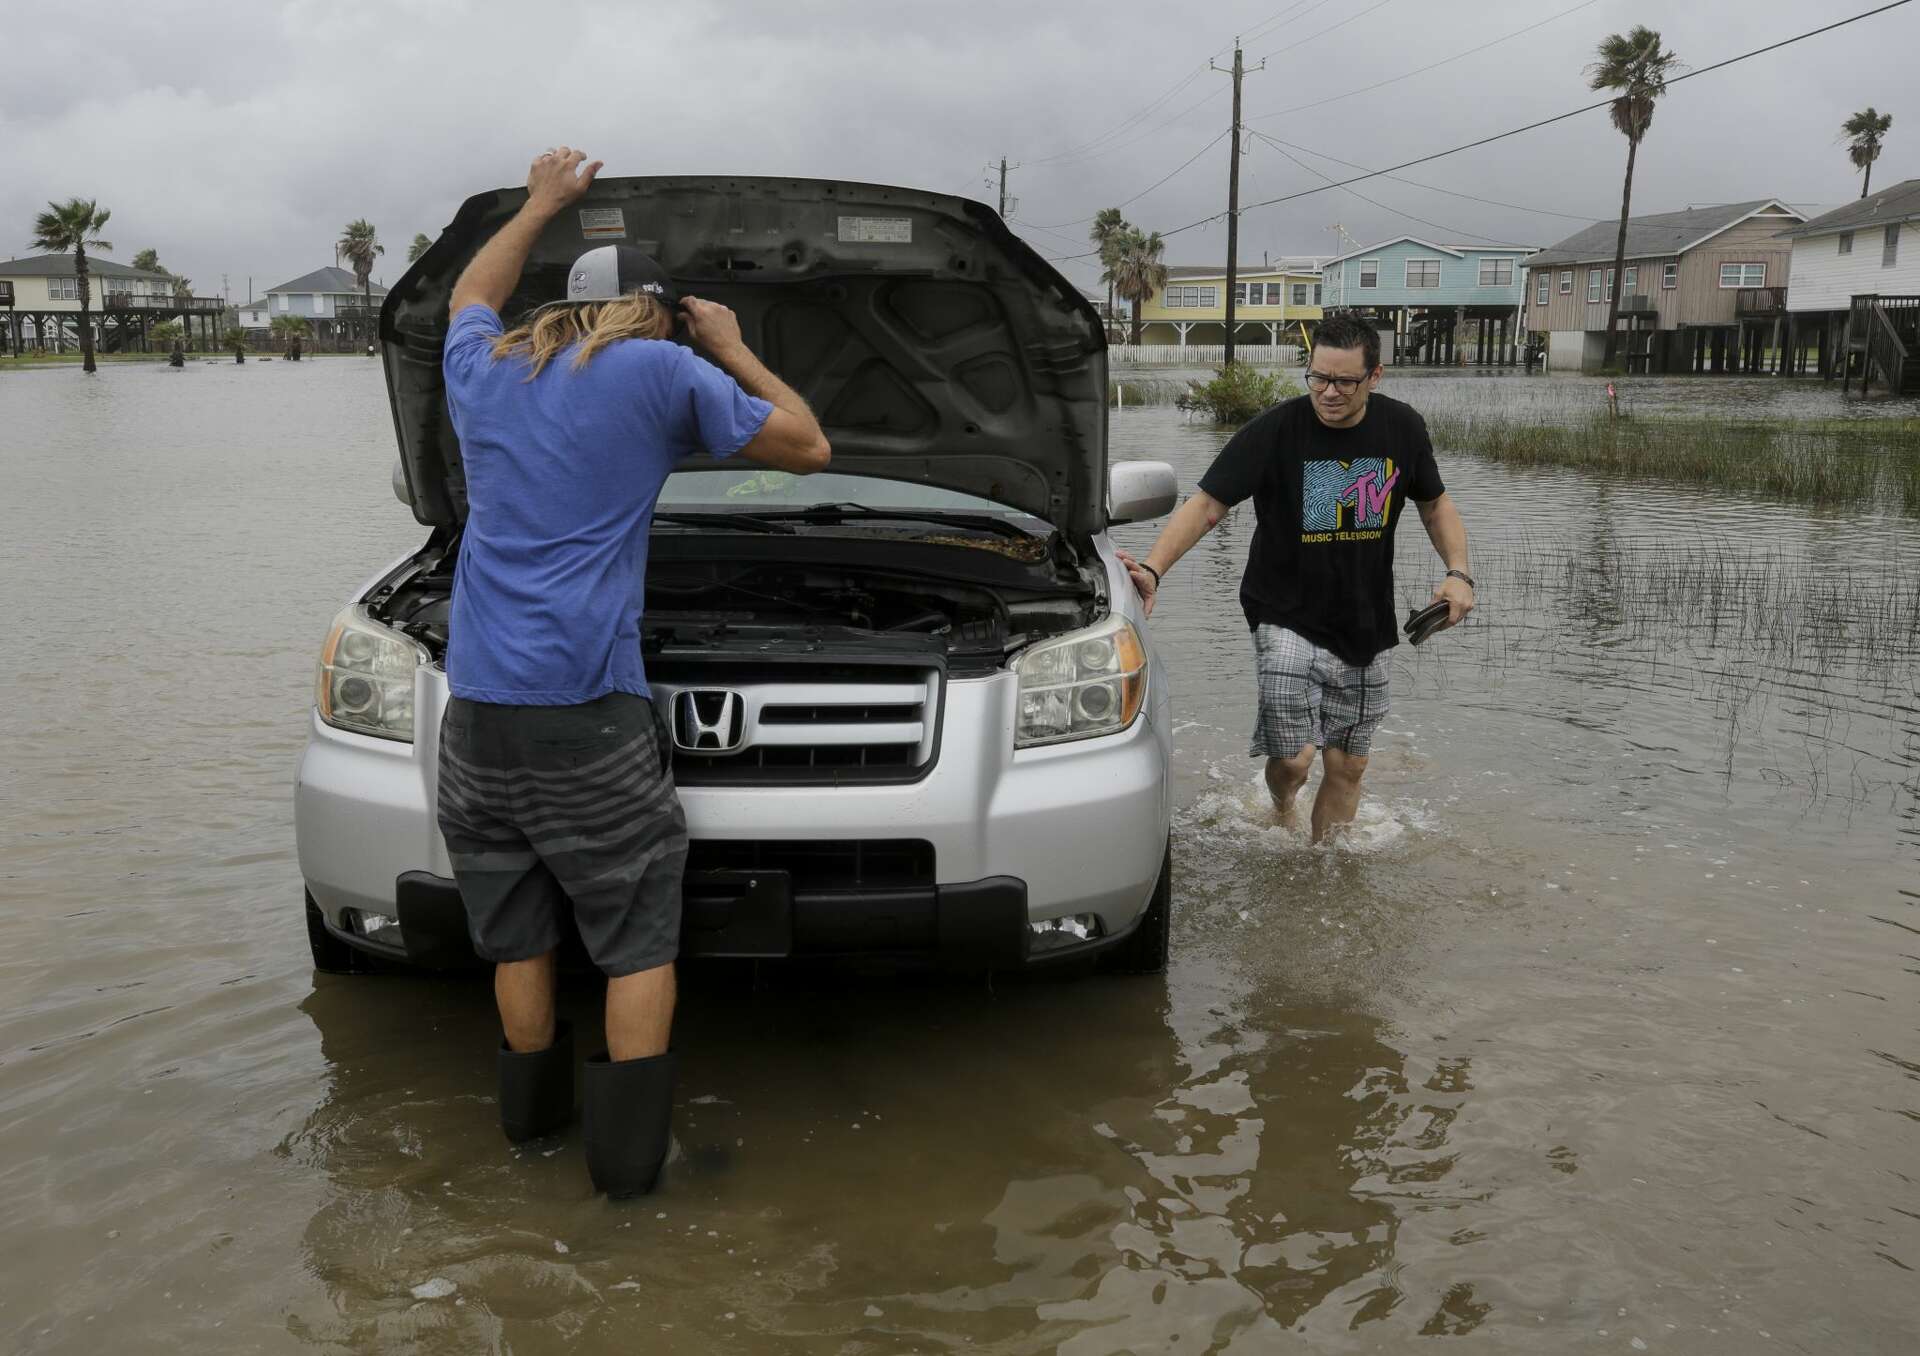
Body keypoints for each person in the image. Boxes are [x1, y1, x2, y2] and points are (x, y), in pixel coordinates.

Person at [433, 147, 830, 1196]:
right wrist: (734, 348)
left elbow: (472, 290)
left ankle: (527, 1146)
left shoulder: (482, 369)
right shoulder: (660, 369)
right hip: (584, 716)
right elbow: (809, 448)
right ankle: (623, 1179)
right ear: (655, 313)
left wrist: (542, 203)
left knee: (517, 936)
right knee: (633, 939)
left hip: (475, 717)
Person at [1118, 316, 1473, 843]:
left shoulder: (1403, 428)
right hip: (1282, 613)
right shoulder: (1276, 430)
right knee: (1296, 758)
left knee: (1348, 765)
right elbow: (1208, 504)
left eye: (1344, 382)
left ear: (1375, 376)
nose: (1328, 393)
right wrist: (1152, 569)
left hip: (1364, 622)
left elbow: (1435, 504)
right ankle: (1282, 804)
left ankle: (1321, 864)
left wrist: (1458, 573)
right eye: (1317, 378)